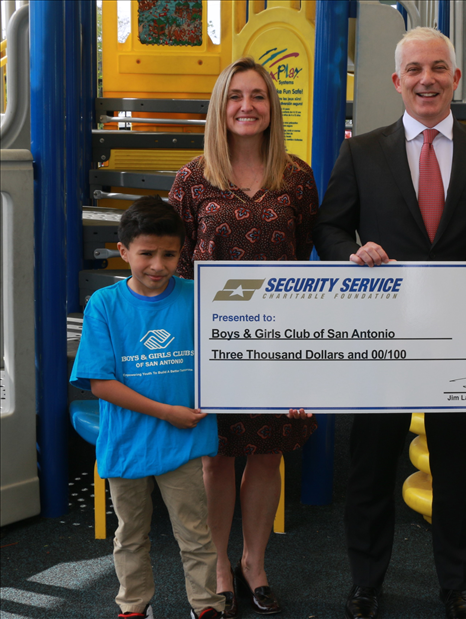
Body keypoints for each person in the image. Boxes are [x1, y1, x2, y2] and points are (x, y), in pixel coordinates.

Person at [313, 27, 466, 619]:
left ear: (456, 78)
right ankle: (366, 584)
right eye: (414, 69)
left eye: (438, 68)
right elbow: (329, 228)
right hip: (382, 339)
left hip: (457, 342)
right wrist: (351, 253)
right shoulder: (362, 152)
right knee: (370, 468)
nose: (427, 79)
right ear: (397, 81)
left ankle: (457, 586)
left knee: (456, 469)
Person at [169, 57, 318, 618]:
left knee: (268, 454)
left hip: (279, 340)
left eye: (257, 95)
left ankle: (254, 563)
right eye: (235, 96)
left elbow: (306, 252)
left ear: (272, 107)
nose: (247, 106)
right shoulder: (192, 179)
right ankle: (217, 567)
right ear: (220, 106)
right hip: (214, 343)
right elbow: (177, 264)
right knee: (216, 458)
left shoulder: (296, 177)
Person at [70, 196, 225, 619]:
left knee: (195, 533)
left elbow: (238, 348)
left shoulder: (198, 296)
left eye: (169, 255)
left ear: (182, 252)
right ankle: (133, 605)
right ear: (123, 251)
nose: (158, 265)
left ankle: (206, 605)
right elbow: (100, 383)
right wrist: (167, 412)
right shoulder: (104, 304)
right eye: (146, 254)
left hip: (182, 444)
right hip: (127, 442)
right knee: (131, 535)